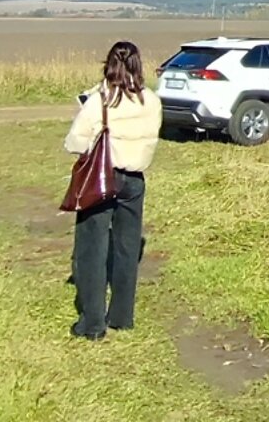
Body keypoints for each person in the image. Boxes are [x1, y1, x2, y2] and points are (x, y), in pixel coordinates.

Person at [64, 41, 161, 340]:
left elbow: (74, 142)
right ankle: (121, 315)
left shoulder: (100, 101)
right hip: (135, 179)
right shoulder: (152, 101)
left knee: (92, 248)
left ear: (108, 65)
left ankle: (92, 323)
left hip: (102, 177)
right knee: (127, 248)